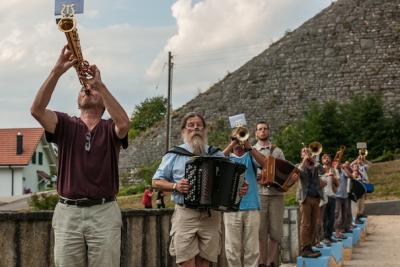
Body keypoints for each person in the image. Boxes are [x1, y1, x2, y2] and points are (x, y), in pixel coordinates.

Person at [31, 45, 129, 267]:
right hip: (68, 212)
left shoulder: (110, 126)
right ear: (78, 100)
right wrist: (56, 72)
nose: (87, 89)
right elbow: (37, 109)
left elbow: (124, 124)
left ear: (104, 104)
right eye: (84, 88)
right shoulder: (65, 123)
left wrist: (101, 86)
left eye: (93, 90)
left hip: (104, 211)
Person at [152, 112, 248, 267]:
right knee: (185, 262)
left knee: (205, 262)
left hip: (211, 216)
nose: (195, 128)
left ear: (204, 130)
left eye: (199, 125)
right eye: (191, 125)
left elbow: (232, 178)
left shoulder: (215, 153)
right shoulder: (174, 154)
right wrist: (175, 186)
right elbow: (156, 181)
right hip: (185, 213)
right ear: (183, 130)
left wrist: (239, 188)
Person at [222, 137, 265, 267]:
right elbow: (214, 161)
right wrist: (232, 144)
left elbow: (265, 163)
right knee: (232, 249)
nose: (238, 141)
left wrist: (249, 146)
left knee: (252, 250)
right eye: (235, 137)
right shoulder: (226, 156)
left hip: (252, 206)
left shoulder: (251, 155)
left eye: (240, 137)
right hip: (231, 208)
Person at [253, 121, 285, 267]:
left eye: (265, 129)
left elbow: (284, 171)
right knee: (260, 231)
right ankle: (261, 262)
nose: (263, 131)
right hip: (259, 194)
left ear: (269, 131)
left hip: (276, 195)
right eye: (260, 129)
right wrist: (258, 177)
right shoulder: (251, 150)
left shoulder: (278, 151)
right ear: (256, 133)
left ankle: (271, 261)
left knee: (275, 231)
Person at [296, 147, 324, 258]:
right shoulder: (299, 165)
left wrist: (313, 159)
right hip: (305, 198)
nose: (306, 152)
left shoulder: (315, 165)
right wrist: (305, 161)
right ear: (301, 155)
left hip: (316, 197)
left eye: (308, 151)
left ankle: (310, 246)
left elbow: (323, 170)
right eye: (303, 151)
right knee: (305, 224)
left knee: (314, 223)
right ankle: (304, 248)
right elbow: (299, 172)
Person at [319, 154, 339, 245]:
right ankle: (323, 237)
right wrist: (326, 175)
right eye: (324, 158)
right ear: (322, 160)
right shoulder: (319, 169)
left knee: (331, 218)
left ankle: (329, 236)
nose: (326, 160)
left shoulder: (334, 170)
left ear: (330, 160)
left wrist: (333, 177)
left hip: (332, 195)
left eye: (328, 158)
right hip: (323, 196)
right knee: (324, 218)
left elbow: (338, 184)